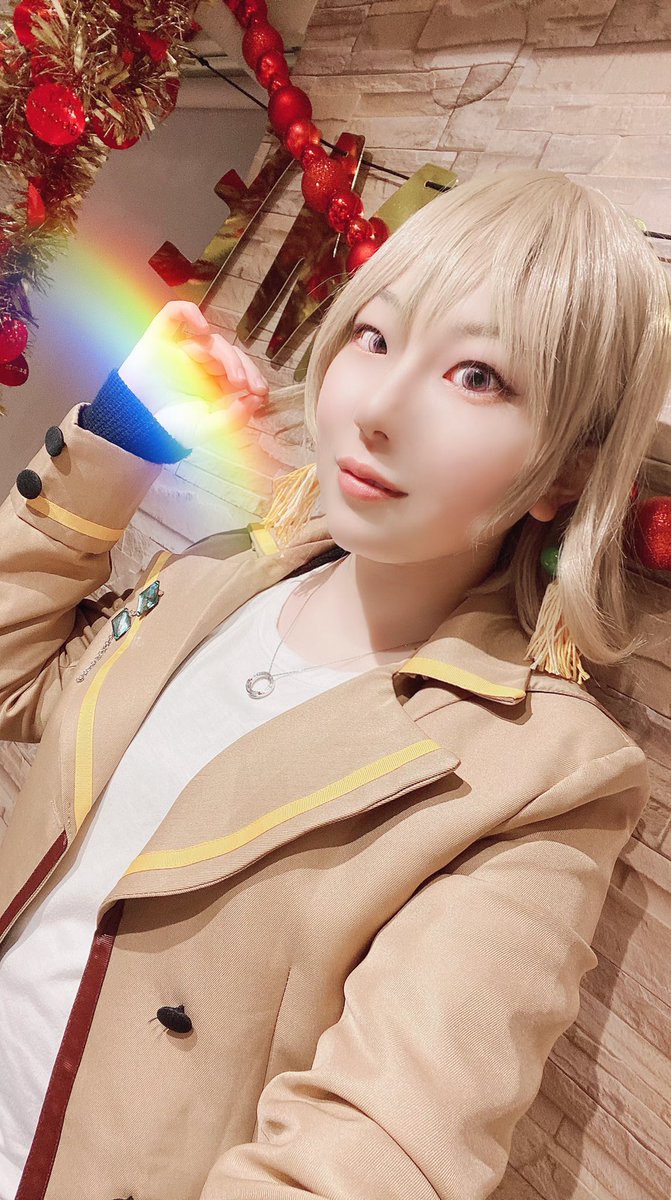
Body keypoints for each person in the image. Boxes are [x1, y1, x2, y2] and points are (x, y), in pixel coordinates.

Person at [0, 166, 668, 1200]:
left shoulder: (534, 776)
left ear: (567, 472)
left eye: (476, 375)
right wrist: (118, 442)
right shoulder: (221, 580)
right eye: (375, 335)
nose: (379, 407)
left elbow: (376, 1154)